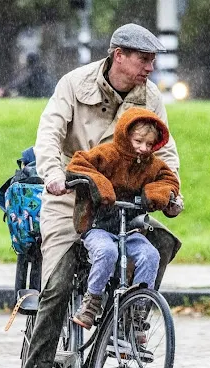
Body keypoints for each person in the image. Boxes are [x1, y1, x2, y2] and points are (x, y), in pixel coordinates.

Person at [21, 23, 184, 368]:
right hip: (71, 196)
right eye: (144, 59)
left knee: (158, 244)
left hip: (121, 200)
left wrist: (172, 193)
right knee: (58, 284)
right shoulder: (74, 84)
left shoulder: (149, 96)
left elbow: (166, 152)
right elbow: (48, 134)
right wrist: (53, 175)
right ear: (118, 55)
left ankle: (128, 320)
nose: (150, 67)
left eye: (153, 60)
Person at [65, 107, 179, 330]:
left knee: (150, 255)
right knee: (107, 252)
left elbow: (169, 180)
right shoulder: (107, 154)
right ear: (126, 136)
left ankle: (136, 313)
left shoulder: (151, 164)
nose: (143, 148)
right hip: (99, 226)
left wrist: (158, 193)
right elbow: (78, 165)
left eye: (149, 145)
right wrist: (99, 185)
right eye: (138, 141)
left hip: (130, 230)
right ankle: (92, 300)